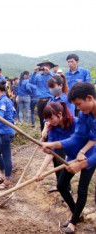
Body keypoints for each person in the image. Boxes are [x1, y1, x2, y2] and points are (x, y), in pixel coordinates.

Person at [41, 82, 96, 234]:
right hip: (75, 157)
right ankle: (77, 215)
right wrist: (53, 144)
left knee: (82, 190)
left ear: (89, 98)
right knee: (61, 184)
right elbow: (77, 138)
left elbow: (92, 140)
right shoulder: (85, 116)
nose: (77, 108)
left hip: (91, 156)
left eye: (78, 104)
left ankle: (73, 221)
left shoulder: (78, 118)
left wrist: (84, 162)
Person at [36, 102, 74, 194]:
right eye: (47, 119)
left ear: (60, 114)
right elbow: (51, 153)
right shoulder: (53, 129)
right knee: (61, 185)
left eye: (51, 118)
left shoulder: (74, 123)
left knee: (82, 189)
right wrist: (40, 172)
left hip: (87, 154)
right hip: (72, 158)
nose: (50, 122)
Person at [41, 75, 75, 140]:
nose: (51, 89)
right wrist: (45, 130)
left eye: (53, 87)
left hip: (65, 132)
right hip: (54, 132)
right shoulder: (51, 100)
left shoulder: (67, 100)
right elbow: (47, 119)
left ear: (61, 86)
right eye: (50, 87)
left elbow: (70, 116)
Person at [29, 59, 55, 131]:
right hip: (40, 101)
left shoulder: (52, 75)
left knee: (51, 118)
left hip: (50, 100)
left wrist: (49, 72)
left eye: (46, 65)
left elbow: (58, 79)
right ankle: (43, 136)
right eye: (43, 66)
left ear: (49, 67)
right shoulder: (38, 76)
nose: (45, 67)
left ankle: (51, 135)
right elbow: (30, 81)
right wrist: (34, 72)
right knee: (41, 119)